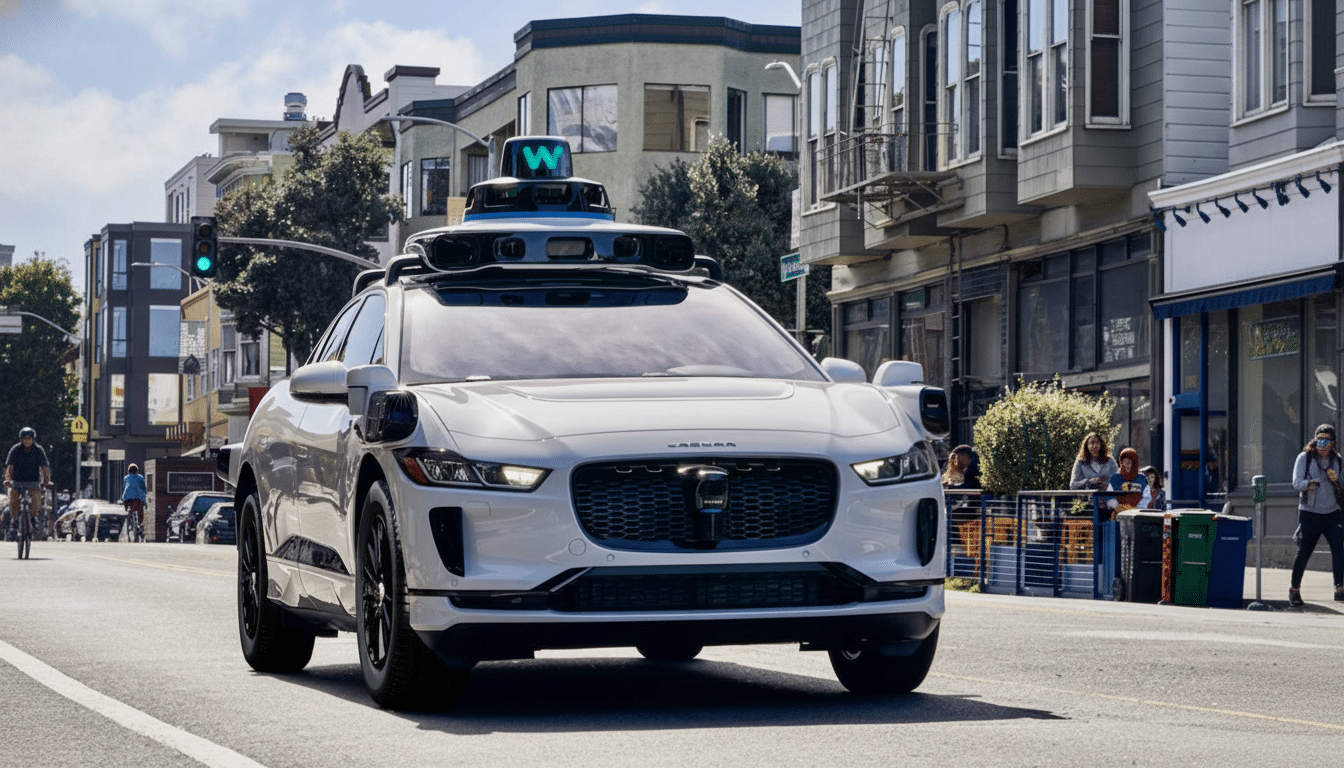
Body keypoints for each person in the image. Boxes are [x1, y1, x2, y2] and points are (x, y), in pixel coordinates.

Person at [1288, 424, 1344, 606]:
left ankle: (1339, 588)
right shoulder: (1305, 458)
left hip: (1332, 512)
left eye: (1327, 439)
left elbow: (1342, 486)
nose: (1323, 443)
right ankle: (1294, 589)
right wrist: (1309, 484)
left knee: (1338, 550)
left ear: (1333, 443)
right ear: (1315, 440)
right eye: (1320, 439)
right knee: (1304, 551)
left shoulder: (1338, 460)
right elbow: (1296, 482)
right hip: (1310, 512)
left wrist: (1337, 480)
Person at [5, 427, 52, 536]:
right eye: (24, 438)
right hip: (17, 481)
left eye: (29, 438)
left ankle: (32, 517)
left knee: (36, 498)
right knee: (13, 496)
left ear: (33, 439)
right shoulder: (15, 450)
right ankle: (15, 521)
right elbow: (10, 467)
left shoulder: (38, 450)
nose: (27, 441)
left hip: (33, 481)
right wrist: (7, 480)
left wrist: (47, 481)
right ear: (21, 440)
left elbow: (45, 467)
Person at [1104, 448, 1151, 516]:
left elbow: (1147, 497)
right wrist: (1119, 507)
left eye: (1129, 462)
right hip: (1119, 514)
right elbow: (1110, 496)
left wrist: (1137, 509)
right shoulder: (1114, 478)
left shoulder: (1142, 478)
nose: (1126, 465)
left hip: (1137, 514)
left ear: (1134, 463)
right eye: (1124, 462)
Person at [122, 464, 147, 541]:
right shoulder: (140, 477)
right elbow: (144, 488)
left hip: (128, 497)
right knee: (140, 512)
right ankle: (139, 525)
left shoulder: (126, 478)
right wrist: (144, 496)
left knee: (128, 507)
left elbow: (125, 487)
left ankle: (129, 514)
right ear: (137, 470)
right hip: (138, 498)